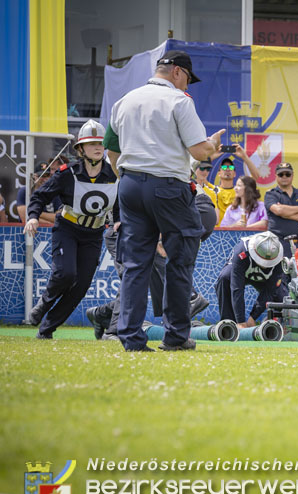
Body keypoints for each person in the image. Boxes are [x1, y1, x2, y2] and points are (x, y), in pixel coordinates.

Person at [105, 49, 225, 352]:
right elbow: (200, 152)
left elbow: (112, 154)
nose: (187, 86)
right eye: (187, 80)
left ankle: (130, 337)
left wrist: (130, 177)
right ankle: (175, 336)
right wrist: (214, 144)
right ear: (177, 72)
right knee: (180, 258)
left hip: (130, 185)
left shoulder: (125, 100)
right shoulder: (179, 101)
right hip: (169, 186)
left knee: (135, 263)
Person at [25, 120, 119, 339]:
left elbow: (121, 201)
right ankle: (43, 304)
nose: (98, 147)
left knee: (81, 286)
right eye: (92, 143)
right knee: (66, 273)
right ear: (80, 149)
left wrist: (119, 220)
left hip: (94, 235)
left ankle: (46, 330)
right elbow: (40, 196)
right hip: (67, 229)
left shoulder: (114, 174)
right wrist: (32, 217)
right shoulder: (68, 173)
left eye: (100, 143)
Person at [215, 231, 284, 328]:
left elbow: (269, 291)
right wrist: (241, 321)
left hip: (264, 280)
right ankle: (228, 324)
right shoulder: (241, 251)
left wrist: (253, 317)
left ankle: (277, 324)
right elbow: (237, 288)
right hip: (241, 273)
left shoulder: (280, 260)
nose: (264, 265)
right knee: (224, 278)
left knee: (281, 295)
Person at [264, 162, 298, 259]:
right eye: (281, 174)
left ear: (292, 175)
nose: (284, 177)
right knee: (281, 274)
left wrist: (286, 214)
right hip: (277, 244)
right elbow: (279, 210)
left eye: (287, 174)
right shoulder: (271, 195)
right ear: (276, 176)